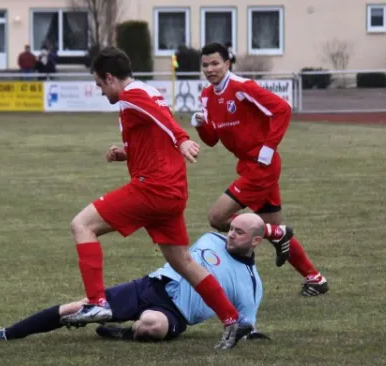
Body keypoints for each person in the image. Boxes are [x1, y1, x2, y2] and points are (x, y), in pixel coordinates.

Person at [59, 46, 250, 350]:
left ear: (110, 78)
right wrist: (126, 153)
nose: (99, 91)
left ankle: (96, 302)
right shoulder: (146, 91)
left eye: (99, 84)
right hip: (171, 192)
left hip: (153, 188)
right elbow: (156, 129)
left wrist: (183, 138)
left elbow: (163, 120)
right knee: (183, 262)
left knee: (82, 225)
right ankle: (231, 319)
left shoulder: (131, 95)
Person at [0, 214, 270, 344]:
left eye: (239, 232)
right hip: (152, 285)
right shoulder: (211, 238)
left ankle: (127, 332)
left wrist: (253, 335)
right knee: (78, 309)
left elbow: (247, 323)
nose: (231, 233)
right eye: (231, 227)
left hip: (175, 314)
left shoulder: (251, 282)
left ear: (255, 242)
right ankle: (5, 333)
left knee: (152, 325)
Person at [190, 42, 329, 297]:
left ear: (227, 64)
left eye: (215, 63)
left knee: (217, 218)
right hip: (248, 165)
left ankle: (276, 234)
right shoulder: (207, 96)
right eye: (205, 65)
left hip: (261, 167)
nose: (210, 69)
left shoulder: (243, 87)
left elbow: (282, 109)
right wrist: (200, 124)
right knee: (274, 230)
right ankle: (315, 278)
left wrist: (268, 149)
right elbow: (211, 140)